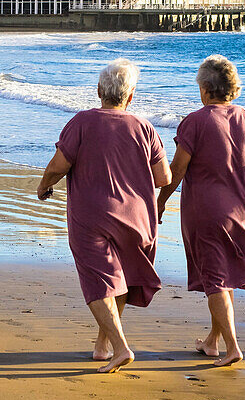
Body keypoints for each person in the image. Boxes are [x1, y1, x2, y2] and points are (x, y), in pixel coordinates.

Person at [157, 55, 245, 367]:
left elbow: (177, 169)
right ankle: (213, 341)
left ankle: (233, 346)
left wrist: (160, 201)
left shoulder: (195, 121)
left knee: (215, 279)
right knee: (224, 276)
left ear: (206, 89)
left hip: (206, 213)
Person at [37, 59, 171, 373]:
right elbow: (163, 176)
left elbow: (59, 165)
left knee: (98, 283)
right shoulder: (144, 127)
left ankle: (122, 348)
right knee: (118, 278)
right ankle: (103, 345)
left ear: (99, 91)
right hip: (136, 216)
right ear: (131, 96)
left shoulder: (82, 122)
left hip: (92, 215)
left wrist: (44, 185)